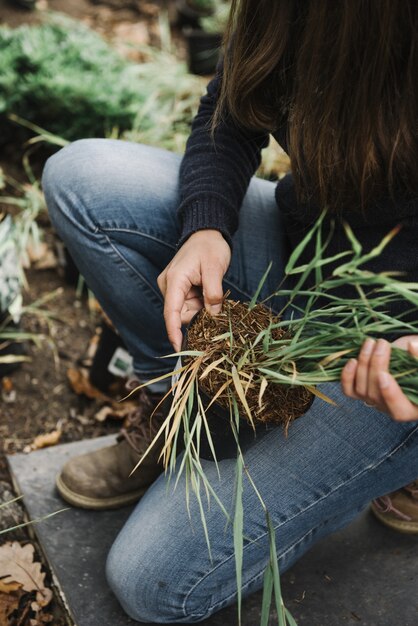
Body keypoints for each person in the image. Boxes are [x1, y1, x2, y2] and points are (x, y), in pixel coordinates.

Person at [42, 0, 418, 622]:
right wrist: (206, 225)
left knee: (151, 582)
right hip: (308, 256)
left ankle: (384, 470)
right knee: (83, 178)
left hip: (387, 363)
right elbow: (233, 104)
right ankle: (189, 416)